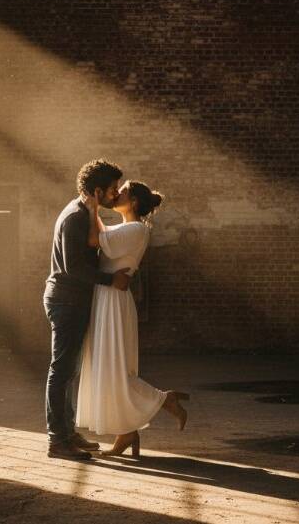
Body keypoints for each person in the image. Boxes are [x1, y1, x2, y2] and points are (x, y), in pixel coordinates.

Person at [76, 180, 189, 457]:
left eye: (123, 191)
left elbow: (94, 240)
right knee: (109, 369)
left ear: (134, 202)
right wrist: (94, 206)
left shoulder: (136, 229)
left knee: (113, 369)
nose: (117, 194)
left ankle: (162, 401)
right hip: (106, 298)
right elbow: (102, 233)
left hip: (113, 301)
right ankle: (128, 431)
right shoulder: (124, 228)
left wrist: (93, 208)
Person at [44, 159, 132, 460]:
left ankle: (67, 433)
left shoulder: (84, 212)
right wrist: (111, 279)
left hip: (72, 300)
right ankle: (58, 440)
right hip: (66, 301)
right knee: (62, 370)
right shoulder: (75, 218)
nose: (115, 194)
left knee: (69, 370)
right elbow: (73, 267)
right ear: (97, 191)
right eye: (112, 189)